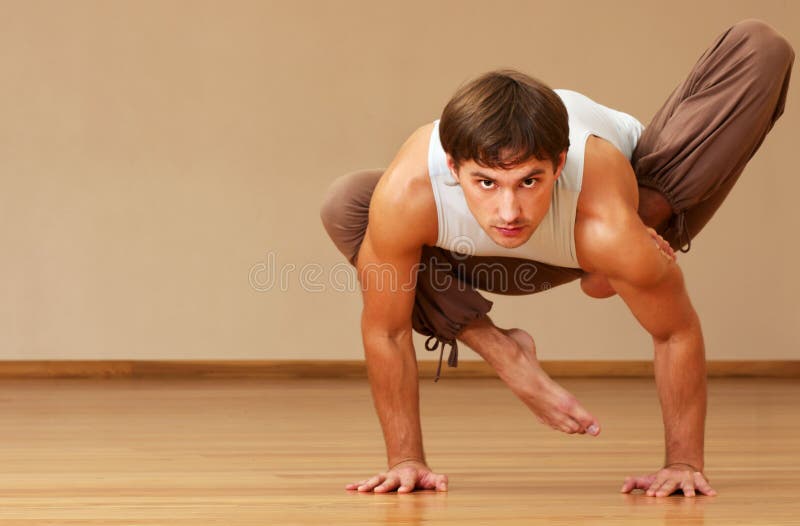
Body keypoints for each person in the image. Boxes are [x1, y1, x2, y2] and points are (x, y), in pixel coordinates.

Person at [320, 19, 793, 497]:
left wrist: (684, 462)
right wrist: (406, 459)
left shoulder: (605, 218)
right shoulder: (409, 193)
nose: (509, 211)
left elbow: (674, 331)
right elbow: (387, 329)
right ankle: (506, 346)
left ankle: (639, 225)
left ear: (559, 165)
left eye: (530, 180)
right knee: (348, 203)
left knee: (762, 45)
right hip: (479, 257)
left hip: (611, 218)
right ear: (452, 167)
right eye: (486, 182)